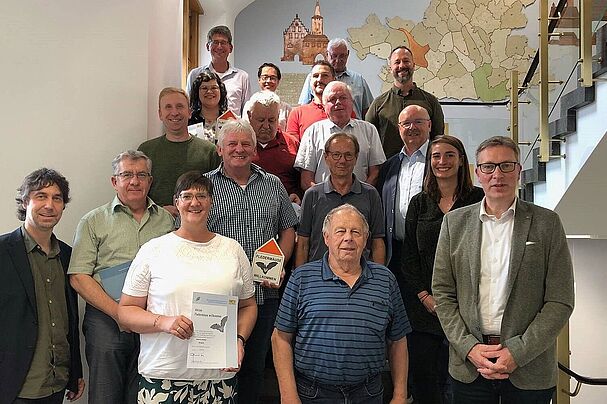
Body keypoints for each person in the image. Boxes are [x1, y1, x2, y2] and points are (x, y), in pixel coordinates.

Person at [432, 136, 575, 403]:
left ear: (519, 171)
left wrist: (517, 352)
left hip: (528, 367)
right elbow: (442, 293)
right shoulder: (454, 224)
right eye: (488, 167)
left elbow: (560, 300)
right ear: (477, 173)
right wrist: (469, 347)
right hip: (470, 366)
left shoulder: (547, 224)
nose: (497, 174)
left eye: (506, 166)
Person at [117, 171, 257, 403]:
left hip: (219, 377)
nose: (194, 202)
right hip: (163, 376)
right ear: (176, 202)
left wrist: (239, 340)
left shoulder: (232, 250)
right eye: (187, 196)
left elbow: (248, 306)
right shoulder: (153, 250)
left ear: (211, 201)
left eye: (201, 196)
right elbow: (126, 312)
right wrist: (164, 322)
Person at [273, 204, 411, 403]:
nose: (348, 238)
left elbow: (398, 341)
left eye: (356, 232)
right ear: (326, 238)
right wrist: (288, 395)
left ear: (365, 239)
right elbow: (280, 338)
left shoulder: (385, 279)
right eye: (341, 231)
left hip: (368, 393)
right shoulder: (301, 278)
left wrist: (400, 395)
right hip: (312, 394)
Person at [68, 151, 175, 404]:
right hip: (107, 319)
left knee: (146, 396)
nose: (134, 181)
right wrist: (120, 313)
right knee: (105, 396)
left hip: (154, 322)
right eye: (126, 174)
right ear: (114, 181)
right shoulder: (93, 221)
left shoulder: (167, 221)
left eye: (141, 175)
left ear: (150, 181)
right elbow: (79, 276)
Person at [205, 119, 298, 404]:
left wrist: (280, 263)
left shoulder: (272, 184)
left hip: (263, 293)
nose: (239, 149)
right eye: (232, 144)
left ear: (255, 150)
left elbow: (288, 229)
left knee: (254, 366)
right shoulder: (204, 186)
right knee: (215, 366)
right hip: (219, 294)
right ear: (220, 149)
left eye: (246, 144)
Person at [402, 135, 484, 404]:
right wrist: (425, 297)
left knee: (464, 387)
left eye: (449, 155)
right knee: (426, 385)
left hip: (468, 311)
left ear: (461, 160)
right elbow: (409, 257)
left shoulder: (479, 199)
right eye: (436, 156)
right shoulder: (419, 203)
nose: (442, 161)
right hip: (425, 312)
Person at [0, 168, 84, 404]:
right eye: (41, 196)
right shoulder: (3, 251)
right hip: (14, 386)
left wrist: (75, 370)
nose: (49, 205)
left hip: (56, 383)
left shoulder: (68, 255)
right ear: (26, 201)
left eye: (56, 198)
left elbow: (70, 319)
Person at [295, 133, 385, 267]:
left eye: (348, 155)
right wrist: (300, 279)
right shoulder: (312, 195)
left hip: (361, 278)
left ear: (356, 158)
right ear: (326, 157)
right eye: (336, 155)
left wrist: (379, 280)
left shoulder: (371, 194)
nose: (342, 161)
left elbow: (378, 242)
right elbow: (302, 243)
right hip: (318, 279)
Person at [138, 87, 220, 216]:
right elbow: (137, 193)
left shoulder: (209, 151)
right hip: (155, 225)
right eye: (168, 107)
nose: (174, 112)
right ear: (160, 113)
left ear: (189, 112)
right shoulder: (146, 150)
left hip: (199, 226)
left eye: (180, 106)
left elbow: (219, 194)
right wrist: (160, 211)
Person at [295, 81, 386, 190]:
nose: (338, 102)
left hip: (360, 202)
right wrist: (325, 198)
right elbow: (306, 179)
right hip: (323, 203)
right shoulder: (312, 132)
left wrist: (360, 196)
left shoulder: (369, 130)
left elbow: (375, 172)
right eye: (332, 99)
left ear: (352, 101)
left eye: (343, 98)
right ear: (324, 105)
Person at [378, 104, 432, 272]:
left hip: (430, 254)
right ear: (399, 128)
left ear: (429, 125)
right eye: (406, 123)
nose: (412, 127)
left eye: (418, 122)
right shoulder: (389, 166)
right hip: (396, 254)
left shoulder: (439, 161)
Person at [366, 46, 444, 158]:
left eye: (406, 61)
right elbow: (368, 141)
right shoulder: (378, 104)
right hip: (388, 172)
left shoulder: (431, 102)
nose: (402, 65)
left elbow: (438, 140)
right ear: (390, 68)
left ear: (414, 65)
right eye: (397, 62)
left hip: (424, 170)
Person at [248, 90, 302, 202]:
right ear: (249, 116)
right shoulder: (239, 144)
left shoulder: (292, 143)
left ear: (278, 117)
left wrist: (297, 195)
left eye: (272, 120)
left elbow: (303, 181)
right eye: (261, 120)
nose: (266, 126)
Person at [298, 38, 374, 119]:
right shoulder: (314, 79)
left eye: (342, 56)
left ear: (347, 54)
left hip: (352, 127)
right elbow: (304, 108)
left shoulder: (358, 80)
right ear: (327, 55)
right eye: (334, 56)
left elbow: (368, 111)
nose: (337, 60)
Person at [186, 25, 251, 116]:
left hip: (233, 128)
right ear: (208, 46)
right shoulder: (195, 74)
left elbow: (246, 110)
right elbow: (189, 105)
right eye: (215, 42)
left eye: (223, 43)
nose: (219, 47)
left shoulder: (242, 77)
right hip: (201, 127)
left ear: (230, 48)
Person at [286, 60, 336, 140]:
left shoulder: (345, 110)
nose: (319, 80)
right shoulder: (297, 113)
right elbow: (292, 146)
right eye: (315, 76)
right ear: (310, 80)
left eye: (325, 75)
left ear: (334, 79)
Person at [242, 63, 292, 131]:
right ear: (259, 80)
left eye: (273, 78)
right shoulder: (249, 105)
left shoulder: (286, 108)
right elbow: (246, 130)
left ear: (278, 81)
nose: (268, 81)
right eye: (265, 78)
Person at [188, 69, 228, 142]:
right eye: (204, 88)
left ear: (221, 91)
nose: (209, 91)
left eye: (214, 88)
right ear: (197, 92)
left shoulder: (229, 120)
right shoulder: (189, 121)